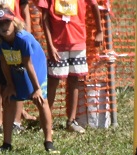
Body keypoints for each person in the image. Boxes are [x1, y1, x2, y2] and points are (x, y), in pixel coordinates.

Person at [0, 4, 51, 152]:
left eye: (7, 22)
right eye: (0, 24)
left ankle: (49, 141)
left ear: (14, 21)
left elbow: (28, 64)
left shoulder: (23, 38)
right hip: (16, 66)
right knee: (10, 100)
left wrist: (37, 89)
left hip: (35, 67)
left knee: (41, 101)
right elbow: (4, 62)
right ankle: (7, 144)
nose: (4, 27)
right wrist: (10, 84)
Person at [34, 0, 100, 134]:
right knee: (53, 80)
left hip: (78, 42)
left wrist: (99, 31)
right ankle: (46, 121)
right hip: (57, 44)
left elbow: (94, 5)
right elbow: (44, 18)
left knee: (74, 79)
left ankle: (71, 120)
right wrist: (50, 45)